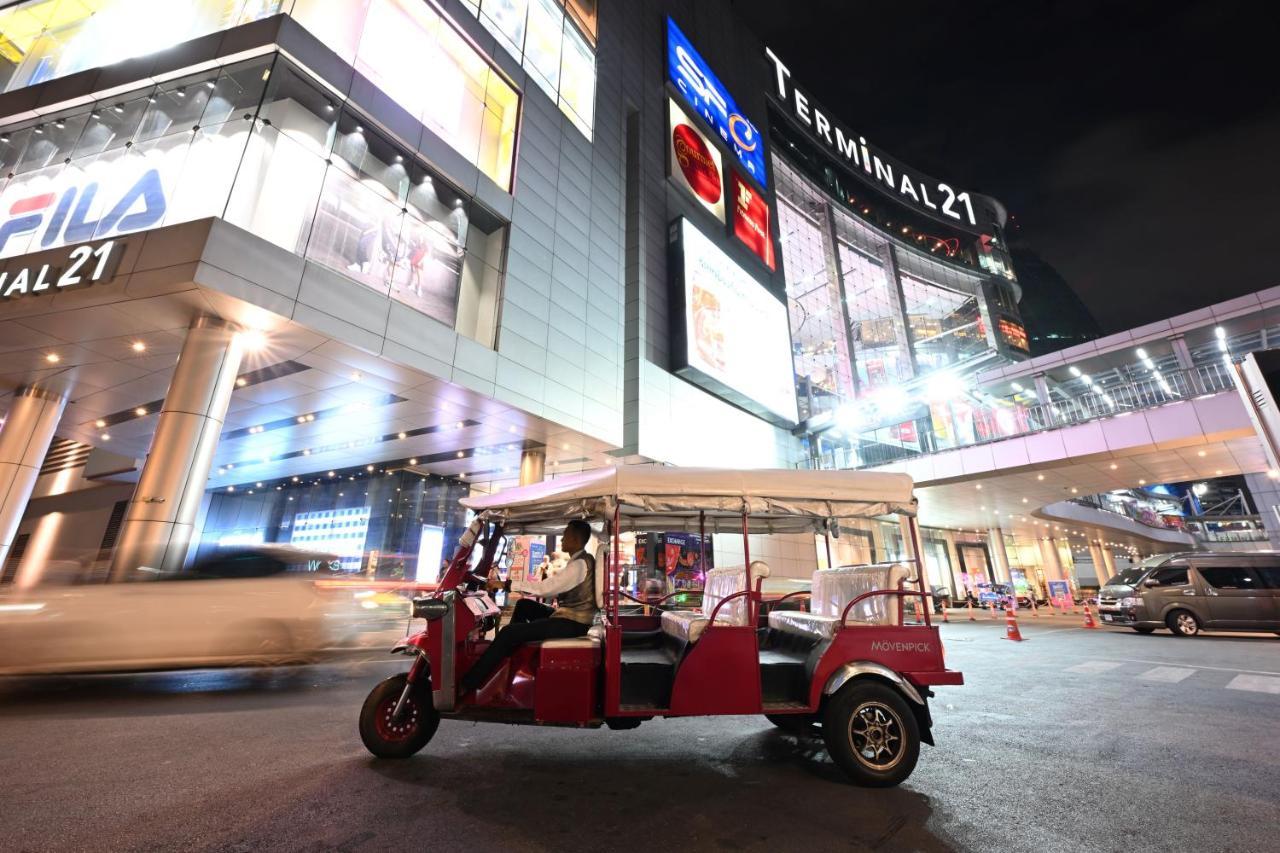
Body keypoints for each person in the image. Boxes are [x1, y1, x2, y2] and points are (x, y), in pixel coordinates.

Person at [459, 520, 596, 693]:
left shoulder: (579, 565)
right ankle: (509, 652)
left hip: (573, 623)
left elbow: (545, 589)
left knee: (508, 633)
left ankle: (469, 684)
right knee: (524, 605)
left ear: (576, 539)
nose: (561, 540)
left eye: (566, 535)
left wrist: (506, 585)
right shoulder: (580, 561)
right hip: (570, 617)